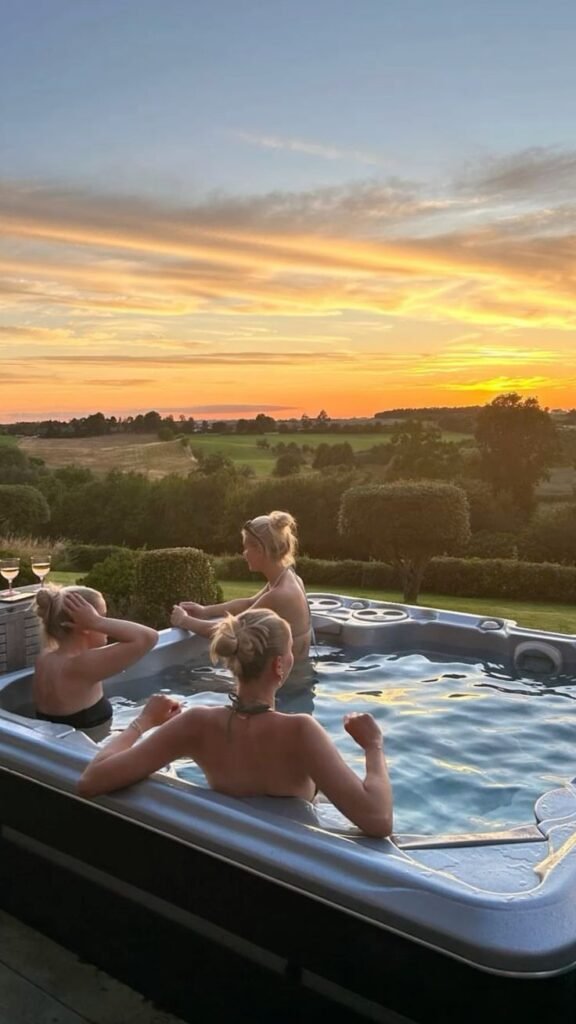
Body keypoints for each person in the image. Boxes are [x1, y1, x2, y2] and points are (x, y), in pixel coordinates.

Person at [78, 609, 393, 838]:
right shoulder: (301, 732)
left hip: (228, 850)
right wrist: (373, 746)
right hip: (291, 868)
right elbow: (378, 819)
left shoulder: (196, 723)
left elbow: (91, 780)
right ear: (279, 664)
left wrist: (143, 722)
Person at [170, 510, 312, 662]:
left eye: (246, 548)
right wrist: (205, 611)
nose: (244, 554)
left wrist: (184, 621)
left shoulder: (279, 594)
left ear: (259, 549)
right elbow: (249, 603)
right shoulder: (288, 577)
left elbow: (228, 632)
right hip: (296, 673)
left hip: (289, 681)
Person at [33, 586, 158, 731]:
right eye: (102, 616)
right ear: (85, 625)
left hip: (58, 741)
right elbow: (149, 637)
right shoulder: (81, 664)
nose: (105, 622)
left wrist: (94, 621)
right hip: (87, 746)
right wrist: (96, 622)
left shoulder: (45, 657)